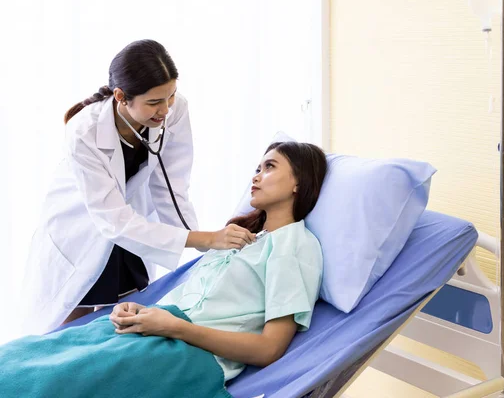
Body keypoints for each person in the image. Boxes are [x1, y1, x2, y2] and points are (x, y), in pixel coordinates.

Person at [1, 142, 327, 398]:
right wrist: (141, 313)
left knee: (50, 382)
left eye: (269, 167)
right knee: (21, 359)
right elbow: (194, 301)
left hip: (186, 354)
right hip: (156, 331)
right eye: (257, 167)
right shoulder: (241, 238)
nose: (255, 176)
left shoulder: (294, 245)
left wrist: (173, 327)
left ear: (300, 182)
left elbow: (270, 349)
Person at [21, 39, 255, 335]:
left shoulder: (175, 109)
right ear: (121, 96)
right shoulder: (84, 132)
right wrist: (206, 239)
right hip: (81, 230)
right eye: (154, 102)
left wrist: (204, 249)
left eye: (170, 96)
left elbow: (171, 188)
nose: (166, 110)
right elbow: (112, 220)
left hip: (134, 227)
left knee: (122, 323)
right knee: (71, 326)